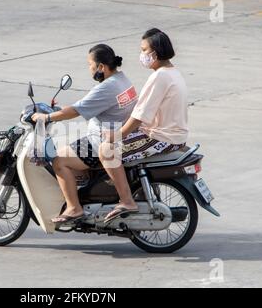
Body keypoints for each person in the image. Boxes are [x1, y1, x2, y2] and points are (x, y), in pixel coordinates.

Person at [32, 44, 137, 224]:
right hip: (119, 134)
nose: (89, 69)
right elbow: (85, 106)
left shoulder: (106, 88)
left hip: (100, 141)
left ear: (101, 67)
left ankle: (74, 208)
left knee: (59, 160)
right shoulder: (122, 80)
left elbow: (75, 112)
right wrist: (62, 110)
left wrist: (47, 117)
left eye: (90, 64)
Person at [99, 28, 189, 223]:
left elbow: (139, 117)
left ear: (155, 52)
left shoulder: (160, 77)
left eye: (144, 50)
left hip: (161, 137)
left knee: (106, 150)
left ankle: (126, 201)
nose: (142, 55)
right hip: (172, 134)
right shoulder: (173, 72)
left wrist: (116, 135)